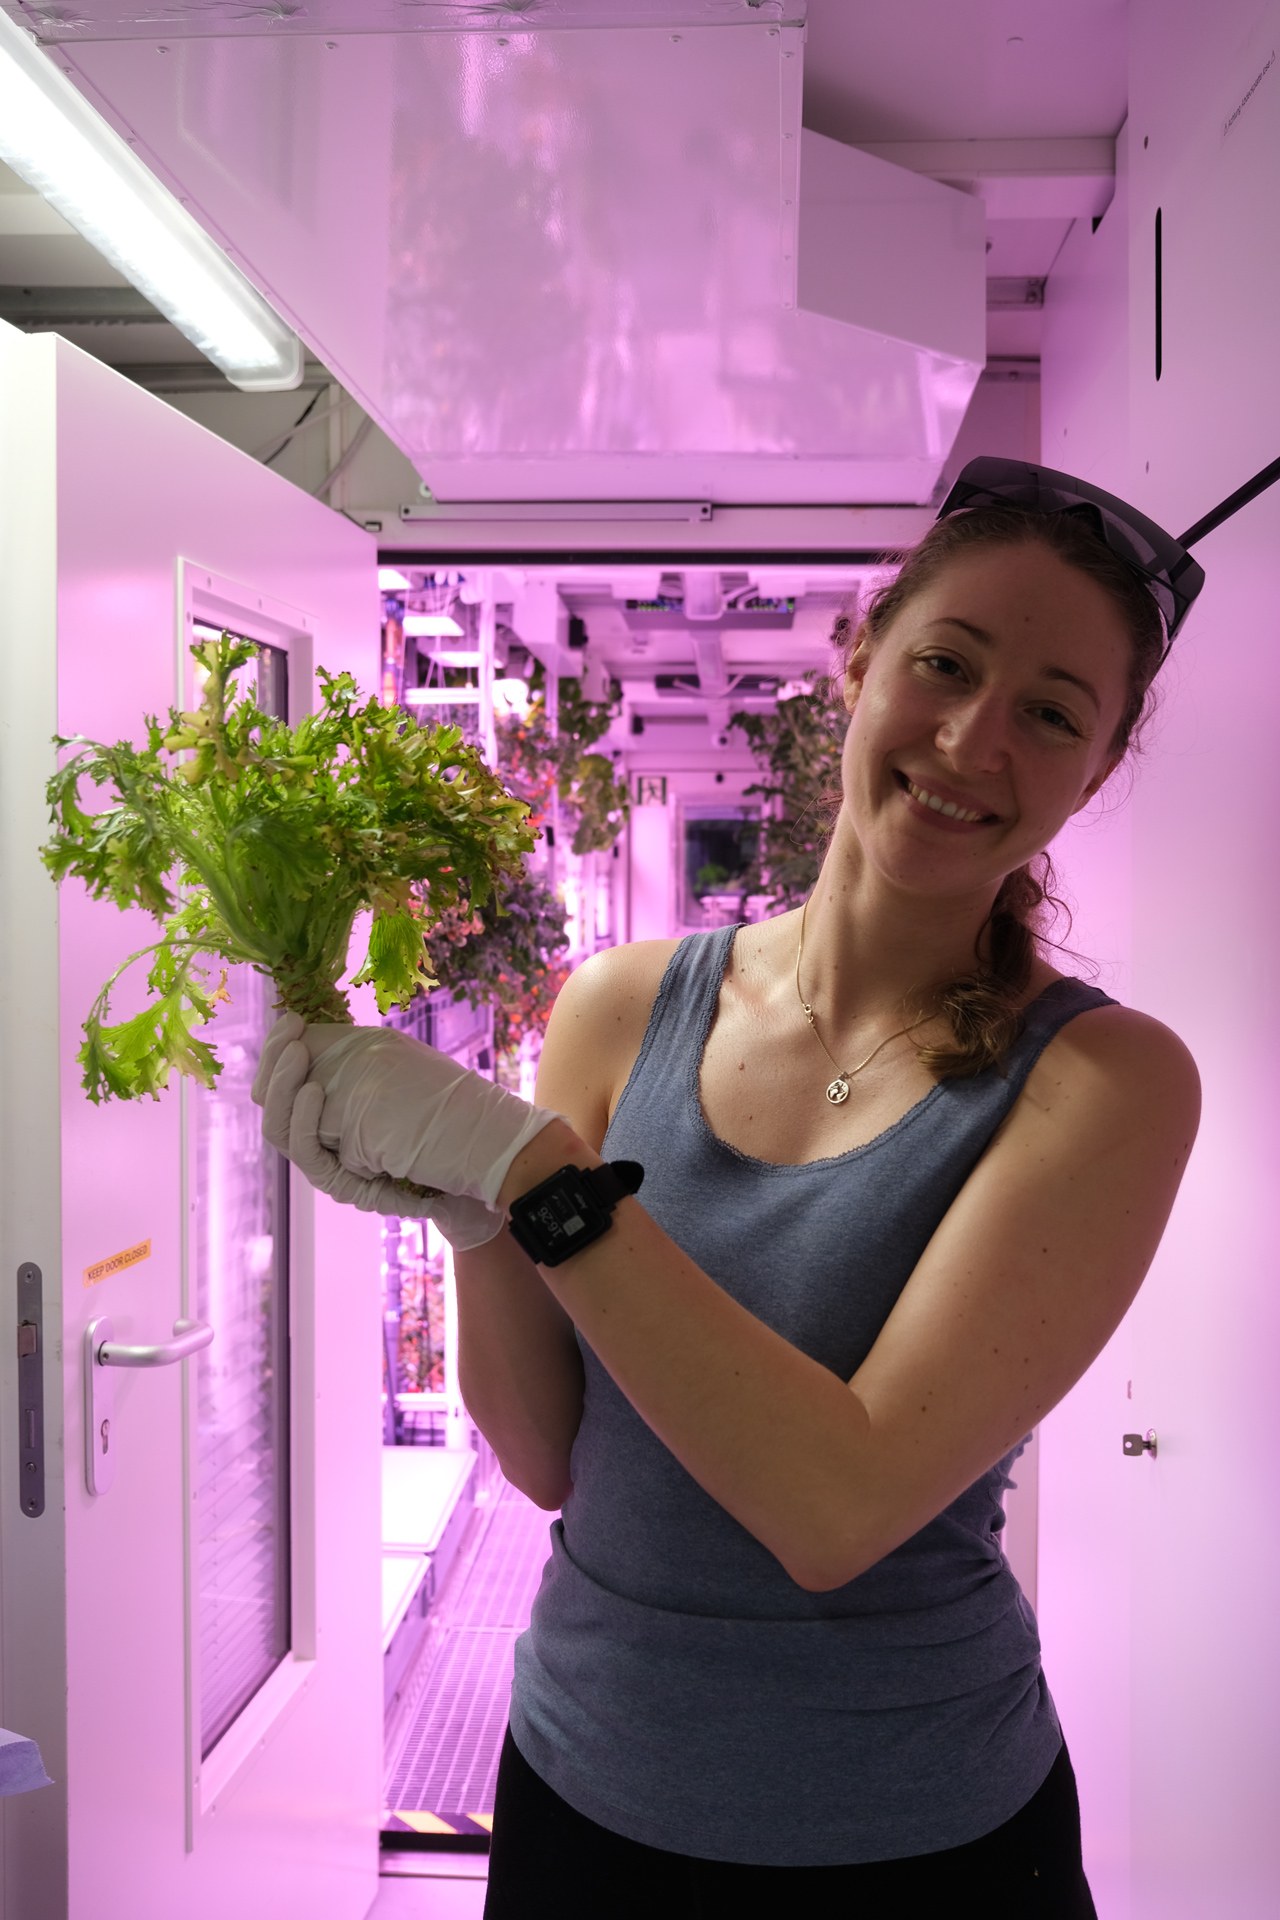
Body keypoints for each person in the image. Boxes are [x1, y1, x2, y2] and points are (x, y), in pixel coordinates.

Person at [253, 459, 1203, 1917]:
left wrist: (535, 1178)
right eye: (944, 663)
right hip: (582, 1787)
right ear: (862, 655)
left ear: (1100, 769)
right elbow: (552, 1459)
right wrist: (480, 1228)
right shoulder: (620, 1007)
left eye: (1052, 713)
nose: (969, 738)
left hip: (918, 1837)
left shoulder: (1106, 1084)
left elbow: (838, 1505)